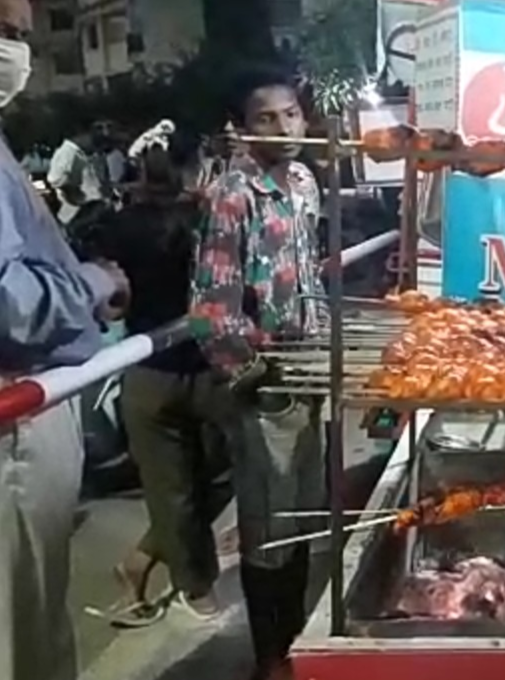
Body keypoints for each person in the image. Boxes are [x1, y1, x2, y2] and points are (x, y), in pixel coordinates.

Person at [0, 0, 131, 677]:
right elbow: (8, 303)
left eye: (20, 36)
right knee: (21, 632)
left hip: (30, 406)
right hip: (13, 419)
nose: (13, 52)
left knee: (36, 609)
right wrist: (92, 283)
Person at [189, 64, 325, 680]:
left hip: (309, 375)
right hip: (265, 381)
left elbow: (310, 273)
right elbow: (213, 305)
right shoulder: (231, 194)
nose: (284, 126)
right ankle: (269, 655)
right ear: (245, 128)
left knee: (298, 518)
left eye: (291, 113)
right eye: (267, 117)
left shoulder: (302, 182)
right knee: (267, 527)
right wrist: (251, 376)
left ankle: (294, 639)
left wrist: (320, 355)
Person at [98, 138, 232, 626]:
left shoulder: (117, 225)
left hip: (150, 371)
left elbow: (110, 300)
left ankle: (141, 563)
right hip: (201, 368)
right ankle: (192, 586)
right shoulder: (205, 220)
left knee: (175, 489)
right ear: (194, 170)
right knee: (211, 480)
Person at [48, 119, 113, 224]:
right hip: (78, 218)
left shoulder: (88, 153)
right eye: (98, 128)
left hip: (96, 214)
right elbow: (56, 179)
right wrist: (79, 199)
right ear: (82, 134)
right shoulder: (67, 152)